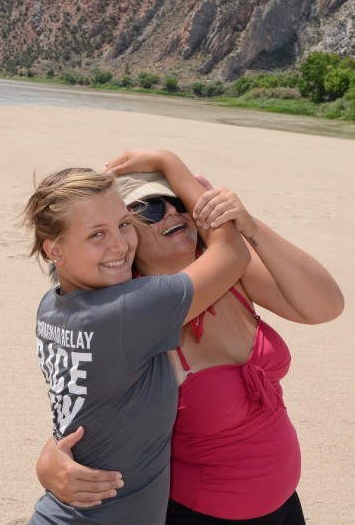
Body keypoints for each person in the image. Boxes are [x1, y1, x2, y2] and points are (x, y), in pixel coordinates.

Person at [35, 148, 344, 524]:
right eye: (149, 208)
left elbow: (325, 305)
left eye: (178, 201)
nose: (171, 212)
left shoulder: (233, 277)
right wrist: (50, 458)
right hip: (197, 514)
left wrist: (248, 223)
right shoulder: (136, 315)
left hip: (283, 508)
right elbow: (95, 404)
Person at [23, 150, 250, 525]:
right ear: (54, 250)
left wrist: (49, 458)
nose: (120, 245)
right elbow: (232, 254)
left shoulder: (52, 307)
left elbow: (86, 407)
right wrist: (170, 163)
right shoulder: (129, 310)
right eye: (97, 234)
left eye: (124, 224)